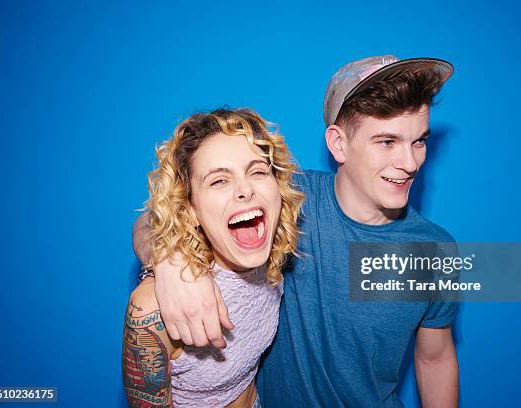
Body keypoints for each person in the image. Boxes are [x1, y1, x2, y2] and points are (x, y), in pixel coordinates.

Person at [133, 55, 460, 407]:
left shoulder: (434, 251)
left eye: (419, 141)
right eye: (387, 142)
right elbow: (154, 219)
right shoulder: (287, 203)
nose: (410, 163)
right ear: (338, 144)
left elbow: (435, 358)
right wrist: (170, 263)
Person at [123, 108, 305, 407]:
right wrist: (169, 261)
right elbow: (147, 220)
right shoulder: (151, 313)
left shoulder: (273, 250)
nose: (245, 189)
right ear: (190, 208)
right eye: (219, 180)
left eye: (258, 171)